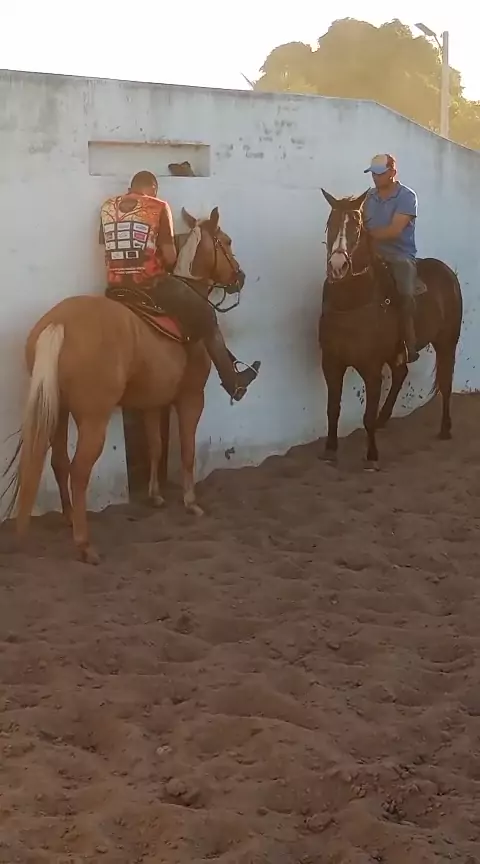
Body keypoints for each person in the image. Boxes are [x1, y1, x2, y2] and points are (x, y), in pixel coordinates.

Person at [99, 170, 260, 401]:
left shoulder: (107, 207)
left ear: (130, 188)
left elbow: (107, 245)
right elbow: (170, 257)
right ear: (153, 189)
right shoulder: (158, 206)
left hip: (115, 287)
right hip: (150, 285)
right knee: (206, 314)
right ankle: (233, 382)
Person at [363, 154, 420, 363]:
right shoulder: (368, 197)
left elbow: (394, 230)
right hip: (371, 253)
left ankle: (408, 344)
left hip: (399, 254)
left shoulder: (407, 196)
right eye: (373, 173)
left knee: (405, 290)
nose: (375, 177)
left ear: (393, 173)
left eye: (380, 173)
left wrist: (365, 235)